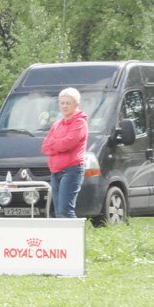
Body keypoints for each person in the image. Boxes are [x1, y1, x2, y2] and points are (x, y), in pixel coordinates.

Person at [41, 87, 88, 218]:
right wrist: (57, 144)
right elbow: (45, 146)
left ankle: (75, 238)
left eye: (68, 103)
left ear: (76, 104)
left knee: (65, 210)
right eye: (62, 103)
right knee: (57, 212)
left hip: (72, 170)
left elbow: (67, 143)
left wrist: (54, 144)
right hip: (55, 170)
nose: (65, 106)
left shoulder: (80, 123)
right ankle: (63, 238)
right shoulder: (57, 124)